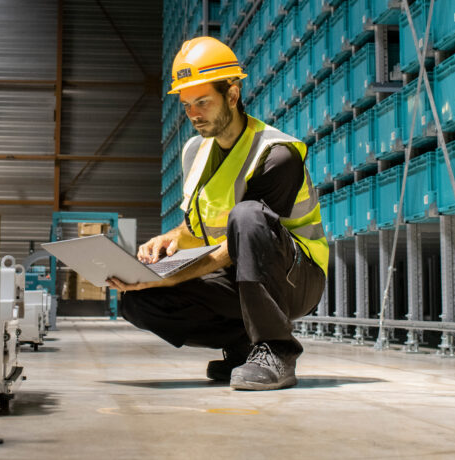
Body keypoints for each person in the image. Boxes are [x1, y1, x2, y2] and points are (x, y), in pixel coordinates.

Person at [108, 37, 328, 391]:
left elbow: (245, 237)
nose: (194, 114)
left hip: (296, 279)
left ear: (232, 94)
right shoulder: (195, 151)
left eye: (203, 102)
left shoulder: (276, 154)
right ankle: (244, 346)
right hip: (240, 276)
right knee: (138, 301)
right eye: (187, 105)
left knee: (247, 216)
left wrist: (171, 277)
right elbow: (197, 226)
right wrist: (167, 240)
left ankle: (276, 349)